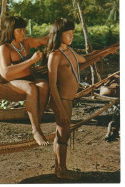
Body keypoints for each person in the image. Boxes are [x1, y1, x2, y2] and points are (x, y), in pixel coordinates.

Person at [0, 16, 49, 146]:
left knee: (44, 85)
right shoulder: (5, 48)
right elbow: (6, 73)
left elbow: (43, 40)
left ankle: (37, 120)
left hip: (28, 78)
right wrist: (31, 61)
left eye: (24, 30)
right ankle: (36, 130)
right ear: (10, 30)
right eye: (20, 30)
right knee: (31, 87)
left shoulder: (25, 43)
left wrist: (58, 31)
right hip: (11, 82)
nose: (23, 33)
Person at [47, 18, 86, 179]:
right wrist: (61, 108)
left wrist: (101, 54)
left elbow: (83, 60)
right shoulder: (55, 56)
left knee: (62, 134)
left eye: (73, 33)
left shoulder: (70, 51)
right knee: (63, 134)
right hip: (61, 100)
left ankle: (59, 168)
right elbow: (52, 85)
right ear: (58, 35)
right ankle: (62, 171)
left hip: (68, 99)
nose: (72, 36)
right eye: (68, 33)